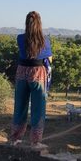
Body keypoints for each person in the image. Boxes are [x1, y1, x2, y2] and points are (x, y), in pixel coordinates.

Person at [10, 11, 52, 149]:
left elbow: (25, 52)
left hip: (22, 71)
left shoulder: (20, 38)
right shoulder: (45, 40)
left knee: (20, 106)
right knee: (38, 108)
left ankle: (15, 138)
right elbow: (49, 59)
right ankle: (35, 141)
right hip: (38, 73)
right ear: (39, 23)